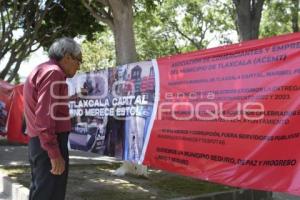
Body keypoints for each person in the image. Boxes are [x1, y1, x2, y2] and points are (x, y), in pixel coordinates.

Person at [23, 37, 82, 200]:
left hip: (40, 142)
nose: (79, 66)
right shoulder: (53, 73)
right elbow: (44, 117)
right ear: (68, 57)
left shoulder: (44, 69)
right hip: (48, 142)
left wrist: (74, 97)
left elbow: (50, 105)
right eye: (79, 61)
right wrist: (54, 153)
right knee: (49, 192)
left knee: (41, 189)